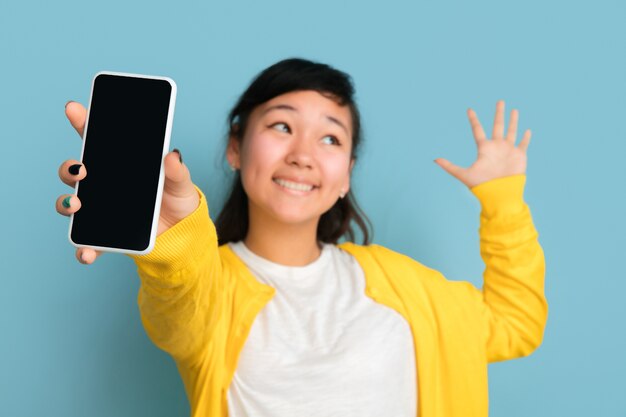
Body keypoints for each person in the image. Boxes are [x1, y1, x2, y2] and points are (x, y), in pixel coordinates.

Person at [56, 58, 547, 417]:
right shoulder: (212, 289)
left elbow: (515, 323)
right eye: (281, 126)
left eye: (330, 137)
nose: (303, 154)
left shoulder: (403, 286)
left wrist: (502, 201)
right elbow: (176, 303)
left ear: (347, 173)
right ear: (235, 147)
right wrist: (174, 237)